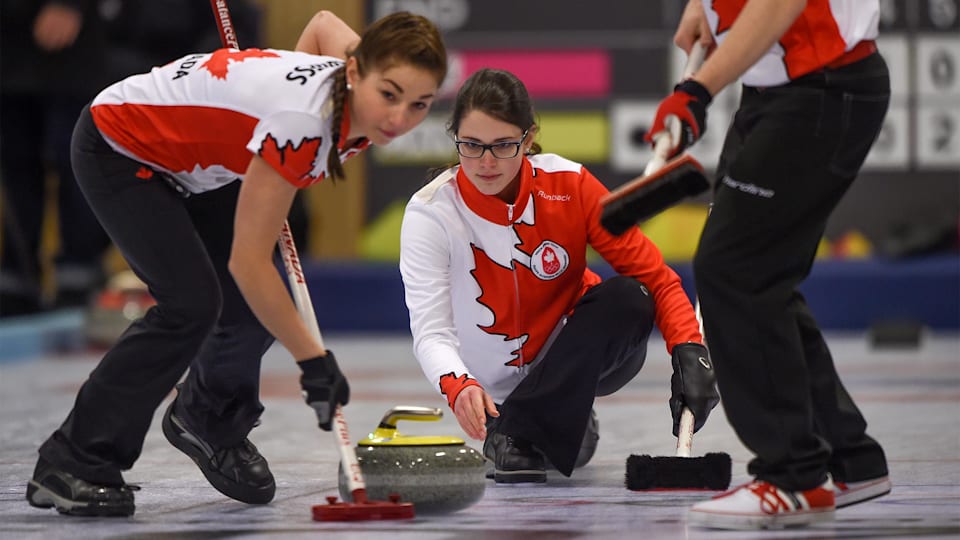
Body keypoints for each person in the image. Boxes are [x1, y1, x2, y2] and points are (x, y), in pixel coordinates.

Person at [26, 10, 447, 517]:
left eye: (419, 104)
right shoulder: (300, 126)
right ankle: (72, 459)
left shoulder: (360, 68)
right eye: (390, 95)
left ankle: (208, 420)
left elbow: (320, 24)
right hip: (121, 144)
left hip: (200, 162)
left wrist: (269, 122)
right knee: (192, 305)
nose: (400, 118)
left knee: (250, 309)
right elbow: (249, 265)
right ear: (355, 72)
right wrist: (313, 360)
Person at [398, 68, 720, 484]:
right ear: (454, 137)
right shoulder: (430, 213)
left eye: (503, 145)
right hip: (490, 391)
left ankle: (527, 428)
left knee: (630, 296)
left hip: (578, 359)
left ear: (528, 138)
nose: (486, 162)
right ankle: (529, 426)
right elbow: (431, 333)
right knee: (547, 449)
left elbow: (654, 276)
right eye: (472, 146)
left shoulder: (570, 184)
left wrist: (691, 351)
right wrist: (457, 385)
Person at [648, 0, 892, 530]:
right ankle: (847, 458)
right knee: (762, 274)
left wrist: (697, 90)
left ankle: (792, 478)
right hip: (780, 89)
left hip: (820, 87)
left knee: (735, 270)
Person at [1, 0, 113, 316]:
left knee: (75, 156)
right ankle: (16, 277)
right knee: (14, 163)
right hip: (8, 44)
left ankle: (79, 272)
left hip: (71, 45)